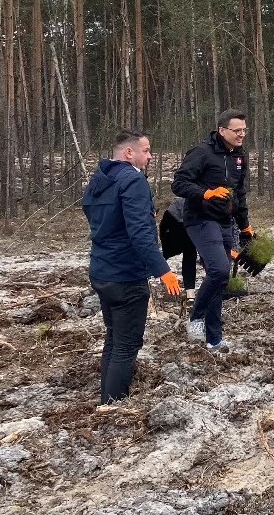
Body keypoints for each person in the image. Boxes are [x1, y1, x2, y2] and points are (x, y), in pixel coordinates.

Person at [83, 131, 181, 404]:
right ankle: (113, 405)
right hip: (126, 275)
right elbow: (140, 234)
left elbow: (95, 216)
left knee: (114, 339)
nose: (150, 156)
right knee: (126, 344)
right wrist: (163, 270)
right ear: (129, 153)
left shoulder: (99, 180)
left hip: (102, 271)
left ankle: (107, 398)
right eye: (146, 150)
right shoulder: (133, 181)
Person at [171, 109, 254, 352]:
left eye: (244, 131)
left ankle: (214, 338)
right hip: (200, 219)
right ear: (222, 130)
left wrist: (245, 224)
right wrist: (205, 193)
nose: (241, 135)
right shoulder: (202, 152)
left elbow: (239, 194)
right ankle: (196, 317)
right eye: (237, 130)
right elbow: (179, 183)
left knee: (219, 277)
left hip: (225, 221)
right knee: (219, 269)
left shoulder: (239, 156)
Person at [159, 198, 198, 302]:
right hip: (173, 220)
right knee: (168, 252)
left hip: (190, 222)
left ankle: (190, 293)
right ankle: (157, 277)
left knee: (190, 252)